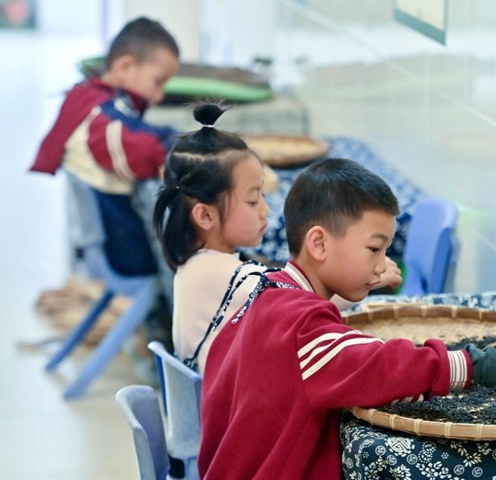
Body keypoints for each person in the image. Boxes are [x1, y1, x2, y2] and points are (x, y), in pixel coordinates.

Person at [197, 158, 496, 480]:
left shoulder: (268, 292)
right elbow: (382, 365)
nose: (381, 264)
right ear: (318, 243)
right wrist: (480, 366)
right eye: (373, 249)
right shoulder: (303, 327)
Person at [153, 103, 402, 373]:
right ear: (205, 216)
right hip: (222, 412)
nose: (265, 209)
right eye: (252, 200)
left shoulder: (202, 265)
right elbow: (299, 302)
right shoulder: (217, 273)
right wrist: (360, 280)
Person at [31, 16, 180, 276]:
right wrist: (177, 148)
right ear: (125, 66)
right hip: (124, 253)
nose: (158, 97)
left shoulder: (87, 96)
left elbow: (137, 131)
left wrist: (169, 135)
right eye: (157, 82)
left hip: (104, 242)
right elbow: (139, 147)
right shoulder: (102, 119)